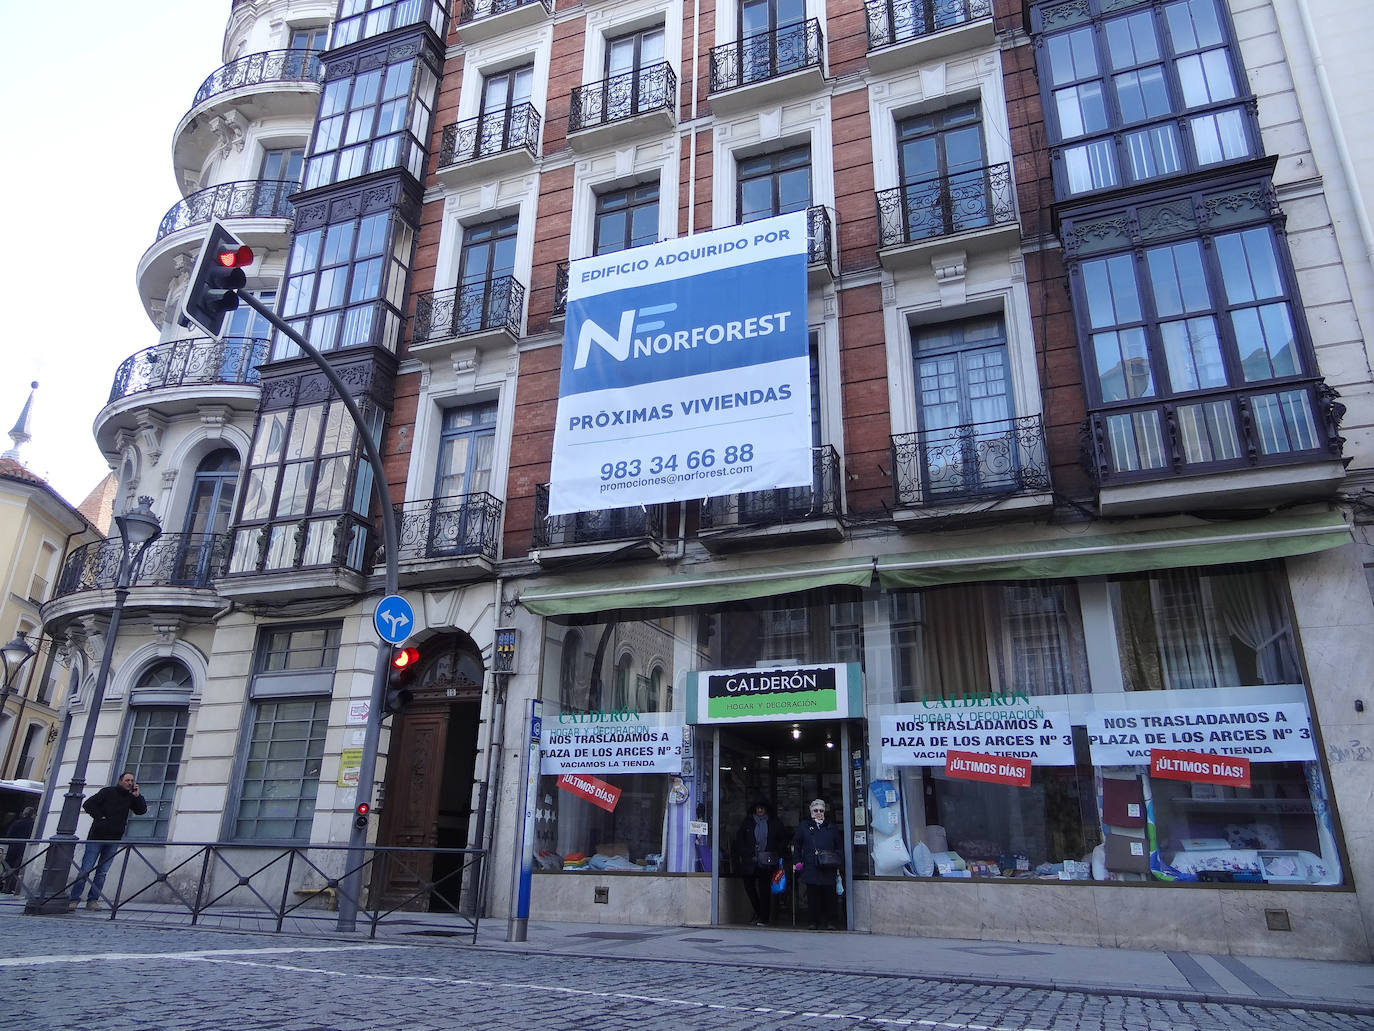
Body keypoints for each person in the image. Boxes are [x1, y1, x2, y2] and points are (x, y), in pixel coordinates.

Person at [68, 771, 146, 911]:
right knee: (85, 870)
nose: (130, 783)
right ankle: (74, 899)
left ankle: (93, 900)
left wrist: (137, 796)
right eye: (127, 780)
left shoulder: (130, 797)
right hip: (96, 838)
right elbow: (88, 804)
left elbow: (141, 811)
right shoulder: (107, 792)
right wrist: (100, 818)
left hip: (114, 839)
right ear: (120, 780)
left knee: (102, 872)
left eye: (132, 781)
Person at [733, 800, 789, 926]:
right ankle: (758, 912)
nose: (759, 811)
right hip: (750, 862)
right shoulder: (747, 822)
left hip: (767, 862)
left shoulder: (774, 823)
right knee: (749, 888)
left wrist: (775, 852)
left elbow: (783, 839)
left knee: (764, 891)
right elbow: (740, 840)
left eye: (762, 809)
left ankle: (764, 917)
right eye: (758, 808)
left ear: (766, 810)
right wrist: (745, 853)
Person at [792, 797, 844, 930]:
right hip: (811, 865)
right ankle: (812, 921)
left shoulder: (831, 827)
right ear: (811, 812)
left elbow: (839, 846)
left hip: (828, 866)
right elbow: (796, 845)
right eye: (816, 810)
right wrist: (797, 861)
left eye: (821, 810)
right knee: (813, 895)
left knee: (829, 896)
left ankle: (831, 921)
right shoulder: (804, 826)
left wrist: (838, 859)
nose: (818, 813)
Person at [3, 806, 35, 893]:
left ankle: (6, 887)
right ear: (32, 814)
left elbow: (9, 835)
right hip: (23, 848)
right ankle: (12, 887)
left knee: (9, 867)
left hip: (13, 846)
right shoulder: (33, 824)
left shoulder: (16, 822)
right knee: (17, 867)